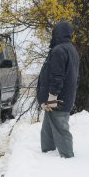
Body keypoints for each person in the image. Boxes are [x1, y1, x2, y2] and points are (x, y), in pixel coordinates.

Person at [36, 21, 80, 158]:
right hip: (62, 97)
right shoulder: (71, 49)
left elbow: (57, 77)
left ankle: (68, 157)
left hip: (57, 99)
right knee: (47, 128)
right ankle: (47, 153)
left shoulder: (59, 50)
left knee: (61, 129)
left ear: (58, 33)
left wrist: (52, 97)